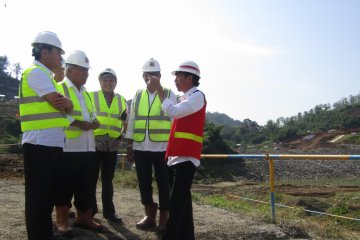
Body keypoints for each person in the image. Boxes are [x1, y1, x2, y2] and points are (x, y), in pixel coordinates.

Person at [19, 31, 73, 240]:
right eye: (58, 52)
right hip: (39, 142)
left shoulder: (46, 76)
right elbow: (59, 102)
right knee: (38, 197)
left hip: (50, 143)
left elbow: (66, 106)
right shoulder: (35, 73)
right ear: (44, 52)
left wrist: (66, 104)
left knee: (46, 195)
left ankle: (43, 234)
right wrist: (66, 103)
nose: (60, 57)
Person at [146, 61, 206, 240]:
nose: (176, 80)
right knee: (184, 203)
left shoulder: (197, 96)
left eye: (179, 76)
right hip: (177, 157)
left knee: (176, 203)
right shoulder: (184, 98)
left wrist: (158, 89)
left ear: (190, 78)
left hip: (187, 157)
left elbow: (171, 111)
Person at [54, 50, 103, 235]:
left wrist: (94, 120)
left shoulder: (86, 94)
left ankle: (84, 218)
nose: (86, 74)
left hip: (88, 147)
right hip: (68, 147)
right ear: (71, 70)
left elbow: (91, 114)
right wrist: (76, 123)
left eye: (87, 71)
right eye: (83, 70)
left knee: (86, 185)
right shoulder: (60, 88)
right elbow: (57, 114)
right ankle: (61, 221)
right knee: (64, 185)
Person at [125, 58, 177, 233]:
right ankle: (149, 214)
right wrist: (129, 145)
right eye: (148, 74)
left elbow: (174, 120)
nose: (151, 77)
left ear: (160, 76)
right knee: (143, 182)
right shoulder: (138, 95)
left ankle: (164, 218)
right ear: (143, 76)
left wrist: (173, 147)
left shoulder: (169, 94)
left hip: (162, 148)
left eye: (154, 74)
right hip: (141, 147)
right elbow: (132, 120)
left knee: (164, 183)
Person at [90, 68, 127, 222]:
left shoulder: (121, 99)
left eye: (111, 80)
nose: (108, 83)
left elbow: (125, 119)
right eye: (105, 80)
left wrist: (122, 135)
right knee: (90, 178)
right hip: (94, 142)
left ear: (116, 83)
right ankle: (89, 210)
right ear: (100, 82)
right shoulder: (91, 96)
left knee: (108, 179)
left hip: (112, 144)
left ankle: (109, 212)